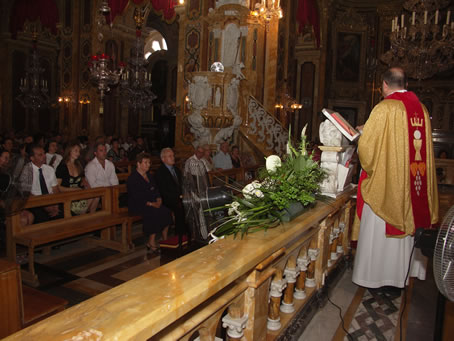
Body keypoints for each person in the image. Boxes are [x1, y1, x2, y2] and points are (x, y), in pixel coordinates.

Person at [352, 67, 439, 289]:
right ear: (405, 84)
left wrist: (362, 133)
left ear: (384, 85)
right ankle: (403, 274)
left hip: (388, 184)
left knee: (381, 228)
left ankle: (377, 278)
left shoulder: (384, 108)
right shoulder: (421, 109)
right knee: (409, 220)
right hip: (413, 185)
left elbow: (369, 150)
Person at [127, 153, 172, 254]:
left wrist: (159, 199)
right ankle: (151, 242)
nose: (148, 165)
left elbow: (156, 190)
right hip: (138, 204)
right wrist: (151, 204)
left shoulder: (149, 176)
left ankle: (165, 239)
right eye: (145, 162)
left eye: (149, 162)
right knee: (154, 212)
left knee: (166, 211)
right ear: (138, 164)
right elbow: (136, 197)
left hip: (152, 203)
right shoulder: (133, 178)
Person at [155, 148, 188, 247]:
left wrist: (184, 194)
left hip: (179, 197)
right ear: (163, 159)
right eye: (170, 156)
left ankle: (188, 234)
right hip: (167, 199)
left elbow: (182, 185)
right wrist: (178, 197)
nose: (173, 158)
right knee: (179, 207)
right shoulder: (160, 172)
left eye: (173, 156)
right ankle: (179, 236)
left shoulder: (176, 170)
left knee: (189, 204)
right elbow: (163, 190)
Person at [23, 144, 61, 223]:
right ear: (32, 158)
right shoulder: (26, 171)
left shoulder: (49, 169)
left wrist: (56, 204)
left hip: (51, 199)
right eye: (40, 155)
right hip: (36, 202)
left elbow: (55, 189)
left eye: (44, 153)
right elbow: (28, 194)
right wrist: (45, 206)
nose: (44, 156)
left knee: (62, 213)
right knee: (42, 218)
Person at [56, 142, 93, 215]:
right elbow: (58, 187)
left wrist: (84, 182)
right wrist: (74, 190)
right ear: (69, 151)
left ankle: (88, 218)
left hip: (78, 193)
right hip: (67, 196)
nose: (78, 153)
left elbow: (81, 178)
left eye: (79, 151)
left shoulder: (78, 164)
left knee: (95, 195)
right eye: (76, 151)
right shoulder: (62, 167)